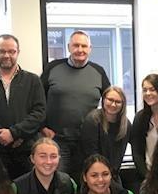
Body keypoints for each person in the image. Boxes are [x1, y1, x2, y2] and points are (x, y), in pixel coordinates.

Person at [0, 34, 46, 179]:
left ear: (18, 52)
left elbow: (39, 113)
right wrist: (1, 134)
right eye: (1, 51)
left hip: (25, 150)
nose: (6, 55)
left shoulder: (33, 80)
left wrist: (14, 133)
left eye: (11, 51)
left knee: (24, 190)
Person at [41, 30, 110, 179]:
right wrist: (42, 127)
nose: (80, 50)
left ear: (90, 49)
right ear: (68, 47)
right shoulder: (52, 68)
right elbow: (37, 101)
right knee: (59, 182)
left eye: (84, 46)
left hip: (87, 141)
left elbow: (110, 103)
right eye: (76, 45)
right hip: (57, 139)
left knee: (86, 181)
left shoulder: (98, 71)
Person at [79, 85, 132, 180]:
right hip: (94, 174)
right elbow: (91, 155)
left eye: (118, 102)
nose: (113, 104)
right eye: (110, 100)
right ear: (103, 100)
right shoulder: (92, 120)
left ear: (123, 105)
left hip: (113, 174)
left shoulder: (126, 124)